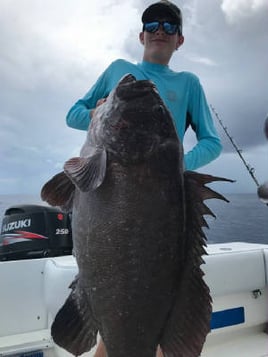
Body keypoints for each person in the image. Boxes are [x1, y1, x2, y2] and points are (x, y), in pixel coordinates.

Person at [66, 1, 222, 356]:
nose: (160, 31)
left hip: (162, 202)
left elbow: (212, 142)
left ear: (179, 40)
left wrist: (175, 166)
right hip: (113, 185)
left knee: (156, 299)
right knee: (116, 309)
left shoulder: (188, 83)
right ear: (141, 34)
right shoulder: (118, 70)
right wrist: (97, 111)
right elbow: (73, 114)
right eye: (152, 24)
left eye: (170, 26)